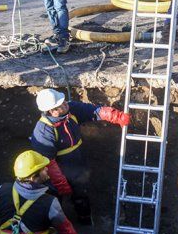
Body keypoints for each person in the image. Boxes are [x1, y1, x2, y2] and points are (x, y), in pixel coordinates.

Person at [30, 88, 130, 225]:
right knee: (54, 197)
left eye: (64, 102)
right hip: (57, 169)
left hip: (78, 163)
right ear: (51, 111)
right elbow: (47, 162)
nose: (66, 105)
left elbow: (91, 111)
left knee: (81, 193)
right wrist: (61, 182)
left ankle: (85, 221)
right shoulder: (43, 131)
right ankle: (52, 226)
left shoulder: (70, 110)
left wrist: (114, 116)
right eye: (61, 105)